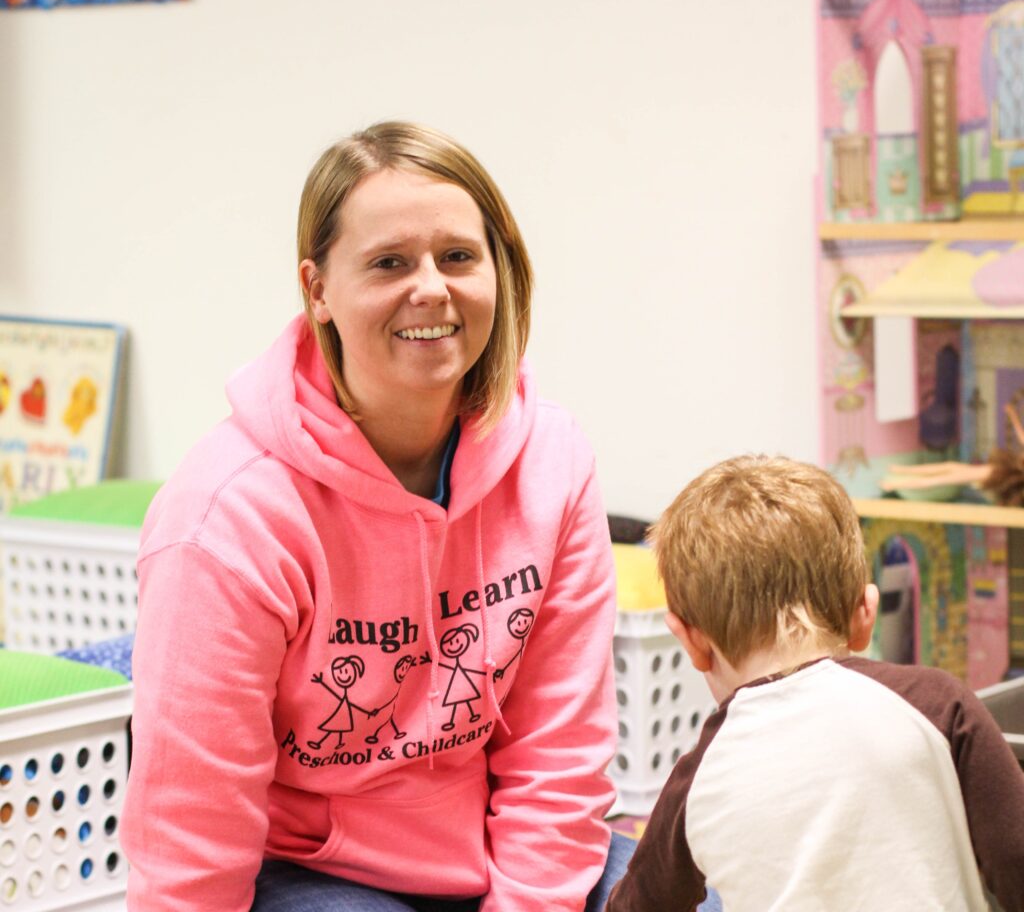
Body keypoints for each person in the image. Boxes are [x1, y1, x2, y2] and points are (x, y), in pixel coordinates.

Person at [120, 122, 632, 911]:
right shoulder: (226, 515)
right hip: (315, 873)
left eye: (458, 256)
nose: (431, 287)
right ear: (318, 289)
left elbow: (557, 756)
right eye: (389, 262)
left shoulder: (553, 460)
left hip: (498, 844)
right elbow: (190, 823)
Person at [606, 455, 1024, 912]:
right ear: (864, 615)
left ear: (690, 642)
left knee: (606, 860)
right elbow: (1016, 858)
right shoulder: (937, 703)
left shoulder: (698, 776)